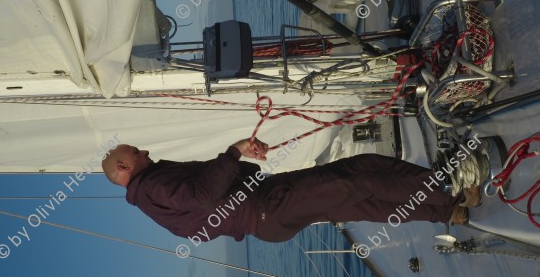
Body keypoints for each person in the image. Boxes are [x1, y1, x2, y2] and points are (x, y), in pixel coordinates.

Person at [101, 138, 478, 243]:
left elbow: (200, 225)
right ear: (124, 166)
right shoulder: (152, 184)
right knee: (356, 179)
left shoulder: (151, 203)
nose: (145, 151)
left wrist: (242, 173)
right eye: (135, 151)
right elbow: (201, 197)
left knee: (359, 195)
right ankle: (451, 192)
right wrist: (233, 153)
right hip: (269, 207)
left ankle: (446, 211)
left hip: (267, 215)